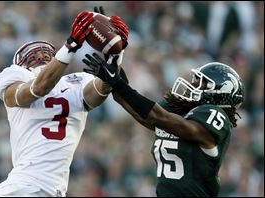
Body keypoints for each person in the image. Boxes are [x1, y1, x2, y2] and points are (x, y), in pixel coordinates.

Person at [0, 8, 128, 197]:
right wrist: (70, 45)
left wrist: (115, 53)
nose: (40, 56)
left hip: (50, 189)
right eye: (32, 54)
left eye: (45, 51)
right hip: (25, 184)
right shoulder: (15, 77)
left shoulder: (77, 82)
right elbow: (36, 89)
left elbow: (103, 89)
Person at [82, 50, 245, 195]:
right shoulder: (182, 111)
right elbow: (142, 112)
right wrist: (115, 69)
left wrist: (119, 85)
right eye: (196, 80)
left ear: (221, 92)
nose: (194, 85)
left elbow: (160, 117)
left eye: (203, 83)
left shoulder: (216, 115)